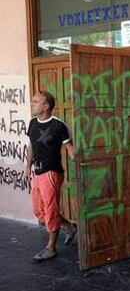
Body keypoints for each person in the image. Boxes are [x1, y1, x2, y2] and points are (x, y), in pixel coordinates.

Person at [24, 91, 77, 261]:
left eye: (36, 101)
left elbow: (69, 147)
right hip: (37, 172)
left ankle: (51, 248)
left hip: (51, 172)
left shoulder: (58, 125)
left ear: (46, 106)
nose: (32, 103)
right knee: (39, 211)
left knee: (50, 210)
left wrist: (76, 156)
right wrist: (27, 168)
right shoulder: (32, 123)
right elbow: (31, 146)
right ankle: (69, 227)